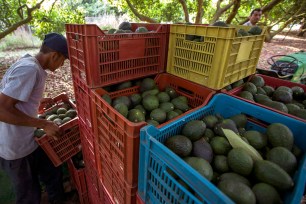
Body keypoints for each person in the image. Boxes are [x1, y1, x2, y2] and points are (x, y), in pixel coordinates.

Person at [0, 33, 69, 204]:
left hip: (29, 141)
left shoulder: (30, 64)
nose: (61, 65)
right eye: (63, 61)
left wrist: (34, 101)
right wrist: (43, 123)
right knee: (29, 196)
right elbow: (1, 108)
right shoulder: (29, 70)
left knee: (52, 174)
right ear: (54, 55)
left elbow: (13, 99)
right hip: (16, 149)